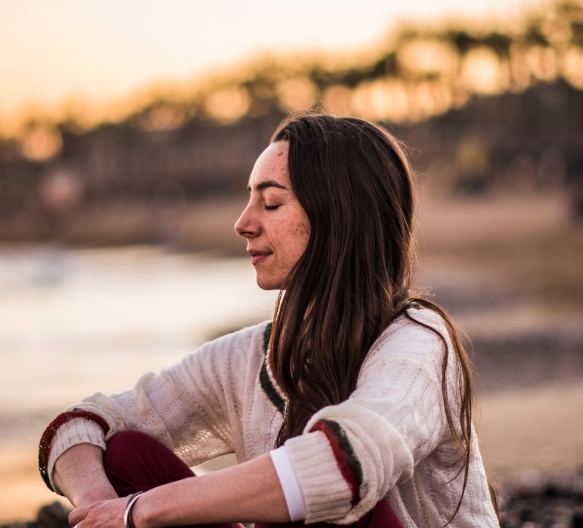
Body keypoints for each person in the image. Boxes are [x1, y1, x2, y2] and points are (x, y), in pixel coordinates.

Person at [38, 113, 499, 528]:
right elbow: (81, 426)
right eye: (249, 200)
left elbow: (343, 467)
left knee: (321, 495)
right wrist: (100, 508)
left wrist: (142, 510)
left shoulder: (418, 344)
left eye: (271, 203)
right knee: (124, 454)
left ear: (338, 217)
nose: (243, 223)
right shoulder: (251, 356)